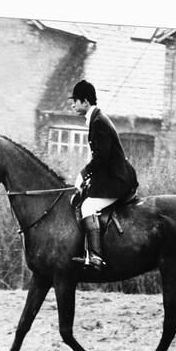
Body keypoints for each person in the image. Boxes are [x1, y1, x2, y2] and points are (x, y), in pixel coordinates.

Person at [68, 80, 138, 272]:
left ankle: (96, 257)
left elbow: (101, 159)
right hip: (110, 177)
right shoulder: (96, 119)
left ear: (85, 102)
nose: (73, 105)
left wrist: (83, 175)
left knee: (88, 206)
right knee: (82, 198)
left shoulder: (99, 122)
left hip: (118, 181)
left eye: (75, 100)